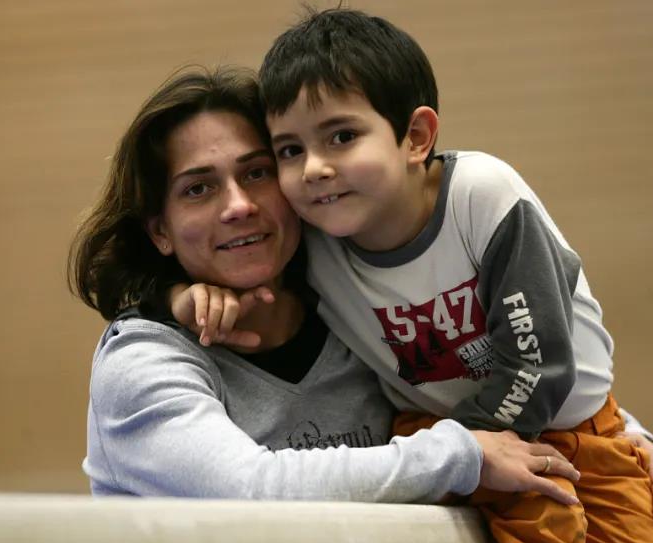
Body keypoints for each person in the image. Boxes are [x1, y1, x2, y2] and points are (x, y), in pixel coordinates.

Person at [249, 8, 653, 543]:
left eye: (341, 136)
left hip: (572, 435)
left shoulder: (481, 197)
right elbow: (212, 265)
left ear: (415, 136)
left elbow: (538, 366)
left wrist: (480, 450)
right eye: (290, 150)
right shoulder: (309, 245)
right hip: (437, 438)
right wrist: (183, 296)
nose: (313, 168)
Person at [67, 65, 584, 506]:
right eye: (199, 188)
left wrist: (613, 434)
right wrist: (461, 454)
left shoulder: (351, 311)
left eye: (257, 173)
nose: (238, 206)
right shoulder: (140, 363)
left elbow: (487, 375)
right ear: (160, 230)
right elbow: (247, 490)